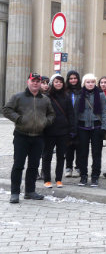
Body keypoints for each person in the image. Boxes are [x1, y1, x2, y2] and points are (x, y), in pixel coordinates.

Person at [3, 73, 56, 203]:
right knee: (18, 165)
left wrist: (45, 122)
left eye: (38, 81)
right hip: (21, 136)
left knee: (33, 166)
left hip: (38, 137)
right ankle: (15, 193)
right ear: (28, 82)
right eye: (33, 81)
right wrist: (19, 118)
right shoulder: (18, 97)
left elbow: (52, 114)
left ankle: (30, 191)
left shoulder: (45, 99)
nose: (36, 83)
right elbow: (7, 110)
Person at [75, 73, 106, 187]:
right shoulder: (79, 94)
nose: (90, 84)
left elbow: (104, 111)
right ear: (84, 83)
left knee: (96, 153)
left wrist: (104, 127)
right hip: (82, 127)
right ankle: (83, 176)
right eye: (88, 82)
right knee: (82, 153)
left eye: (92, 82)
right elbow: (75, 112)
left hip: (96, 127)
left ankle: (95, 176)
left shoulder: (100, 94)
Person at [42, 74, 75, 189]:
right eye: (56, 82)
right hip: (49, 131)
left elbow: (71, 114)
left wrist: (72, 130)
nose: (58, 84)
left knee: (61, 156)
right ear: (52, 83)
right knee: (47, 156)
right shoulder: (46, 97)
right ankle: (46, 179)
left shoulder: (66, 96)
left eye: (60, 82)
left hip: (63, 132)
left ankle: (59, 179)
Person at [65, 70, 82, 178]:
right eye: (71, 78)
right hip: (67, 123)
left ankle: (78, 167)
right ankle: (68, 167)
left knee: (80, 147)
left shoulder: (82, 91)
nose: (73, 80)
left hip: (80, 122)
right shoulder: (65, 91)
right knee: (69, 147)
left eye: (75, 78)